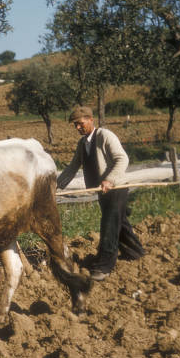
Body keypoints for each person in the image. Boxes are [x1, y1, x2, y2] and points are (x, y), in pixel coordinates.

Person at [57, 106, 145, 281]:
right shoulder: (82, 144)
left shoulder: (105, 136)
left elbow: (122, 158)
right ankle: (136, 252)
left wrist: (109, 179)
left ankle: (104, 267)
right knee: (120, 222)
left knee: (109, 225)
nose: (77, 128)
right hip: (102, 192)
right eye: (75, 125)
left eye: (80, 124)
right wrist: (56, 186)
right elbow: (73, 166)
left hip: (116, 188)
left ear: (91, 119)